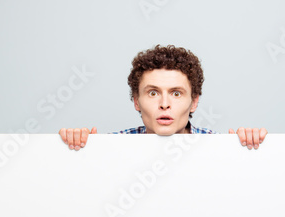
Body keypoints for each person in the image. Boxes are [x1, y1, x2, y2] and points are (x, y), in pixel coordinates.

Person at [59, 45, 267, 150]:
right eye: (153, 93)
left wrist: (249, 145)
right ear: (136, 101)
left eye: (176, 93)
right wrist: (79, 145)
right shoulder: (113, 146)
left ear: (194, 102)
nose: (164, 104)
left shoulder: (217, 146)